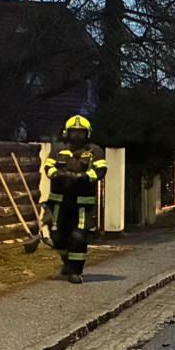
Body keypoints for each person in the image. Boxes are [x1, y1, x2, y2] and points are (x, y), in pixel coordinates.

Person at [42, 115, 109, 284]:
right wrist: (57, 174)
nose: (77, 136)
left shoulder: (95, 151)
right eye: (74, 132)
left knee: (78, 237)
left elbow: (101, 170)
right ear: (67, 132)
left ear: (88, 134)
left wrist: (83, 177)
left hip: (82, 203)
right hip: (59, 202)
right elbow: (48, 167)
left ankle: (75, 271)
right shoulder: (58, 150)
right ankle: (67, 262)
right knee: (57, 236)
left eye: (81, 132)